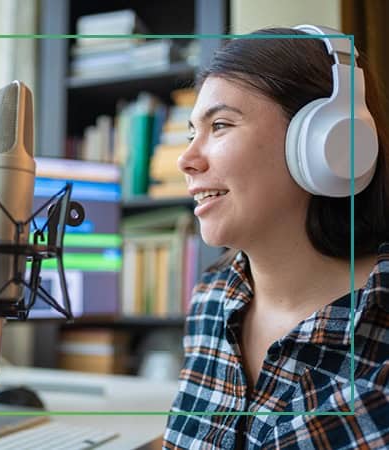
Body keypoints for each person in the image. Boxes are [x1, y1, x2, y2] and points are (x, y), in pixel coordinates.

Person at [163, 26, 389, 449]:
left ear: (330, 141)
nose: (186, 160)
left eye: (221, 125)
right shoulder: (211, 300)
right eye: (193, 133)